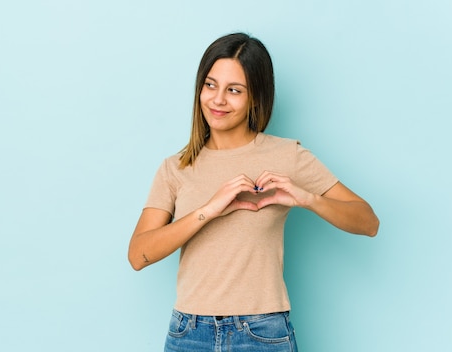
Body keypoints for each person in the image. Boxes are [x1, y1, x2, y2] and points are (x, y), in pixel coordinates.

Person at [128, 32, 379, 352]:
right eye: (210, 85)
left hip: (261, 332)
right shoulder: (175, 167)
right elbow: (138, 255)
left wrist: (307, 198)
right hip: (188, 332)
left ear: (255, 97)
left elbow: (368, 222)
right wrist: (210, 209)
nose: (218, 100)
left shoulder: (287, 155)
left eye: (234, 90)